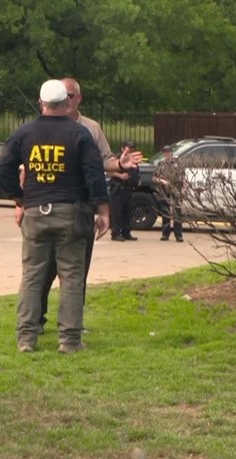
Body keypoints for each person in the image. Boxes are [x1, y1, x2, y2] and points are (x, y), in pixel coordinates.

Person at [0, 79, 111, 354]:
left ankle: (26, 338)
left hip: (35, 211)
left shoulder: (25, 133)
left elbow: (4, 167)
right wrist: (103, 210)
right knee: (71, 276)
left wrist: (19, 198)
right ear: (66, 103)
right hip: (70, 212)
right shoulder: (80, 134)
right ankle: (70, 340)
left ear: (41, 103)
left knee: (32, 276)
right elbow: (94, 175)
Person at [36, 77, 143, 332]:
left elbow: (103, 161)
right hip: (48, 206)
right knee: (43, 269)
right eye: (62, 96)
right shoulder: (42, 127)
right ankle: (36, 319)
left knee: (76, 271)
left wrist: (119, 165)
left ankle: (72, 323)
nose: (66, 100)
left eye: (70, 95)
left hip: (81, 208)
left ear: (78, 98)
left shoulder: (91, 129)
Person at [107, 140, 141, 241]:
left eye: (132, 148)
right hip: (118, 189)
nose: (131, 150)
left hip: (128, 189)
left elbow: (135, 171)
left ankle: (126, 232)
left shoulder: (133, 159)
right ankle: (116, 233)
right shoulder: (117, 159)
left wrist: (137, 179)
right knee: (117, 213)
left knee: (127, 212)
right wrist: (120, 176)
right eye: (128, 148)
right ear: (122, 148)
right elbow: (108, 171)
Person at [154, 145, 184, 242]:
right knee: (165, 212)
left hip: (176, 189)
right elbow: (154, 178)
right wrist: (162, 181)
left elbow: (183, 177)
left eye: (168, 152)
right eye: (165, 152)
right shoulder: (160, 164)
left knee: (177, 213)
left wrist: (183, 189)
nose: (167, 154)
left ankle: (178, 235)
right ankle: (165, 234)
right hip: (164, 190)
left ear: (171, 152)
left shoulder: (178, 163)